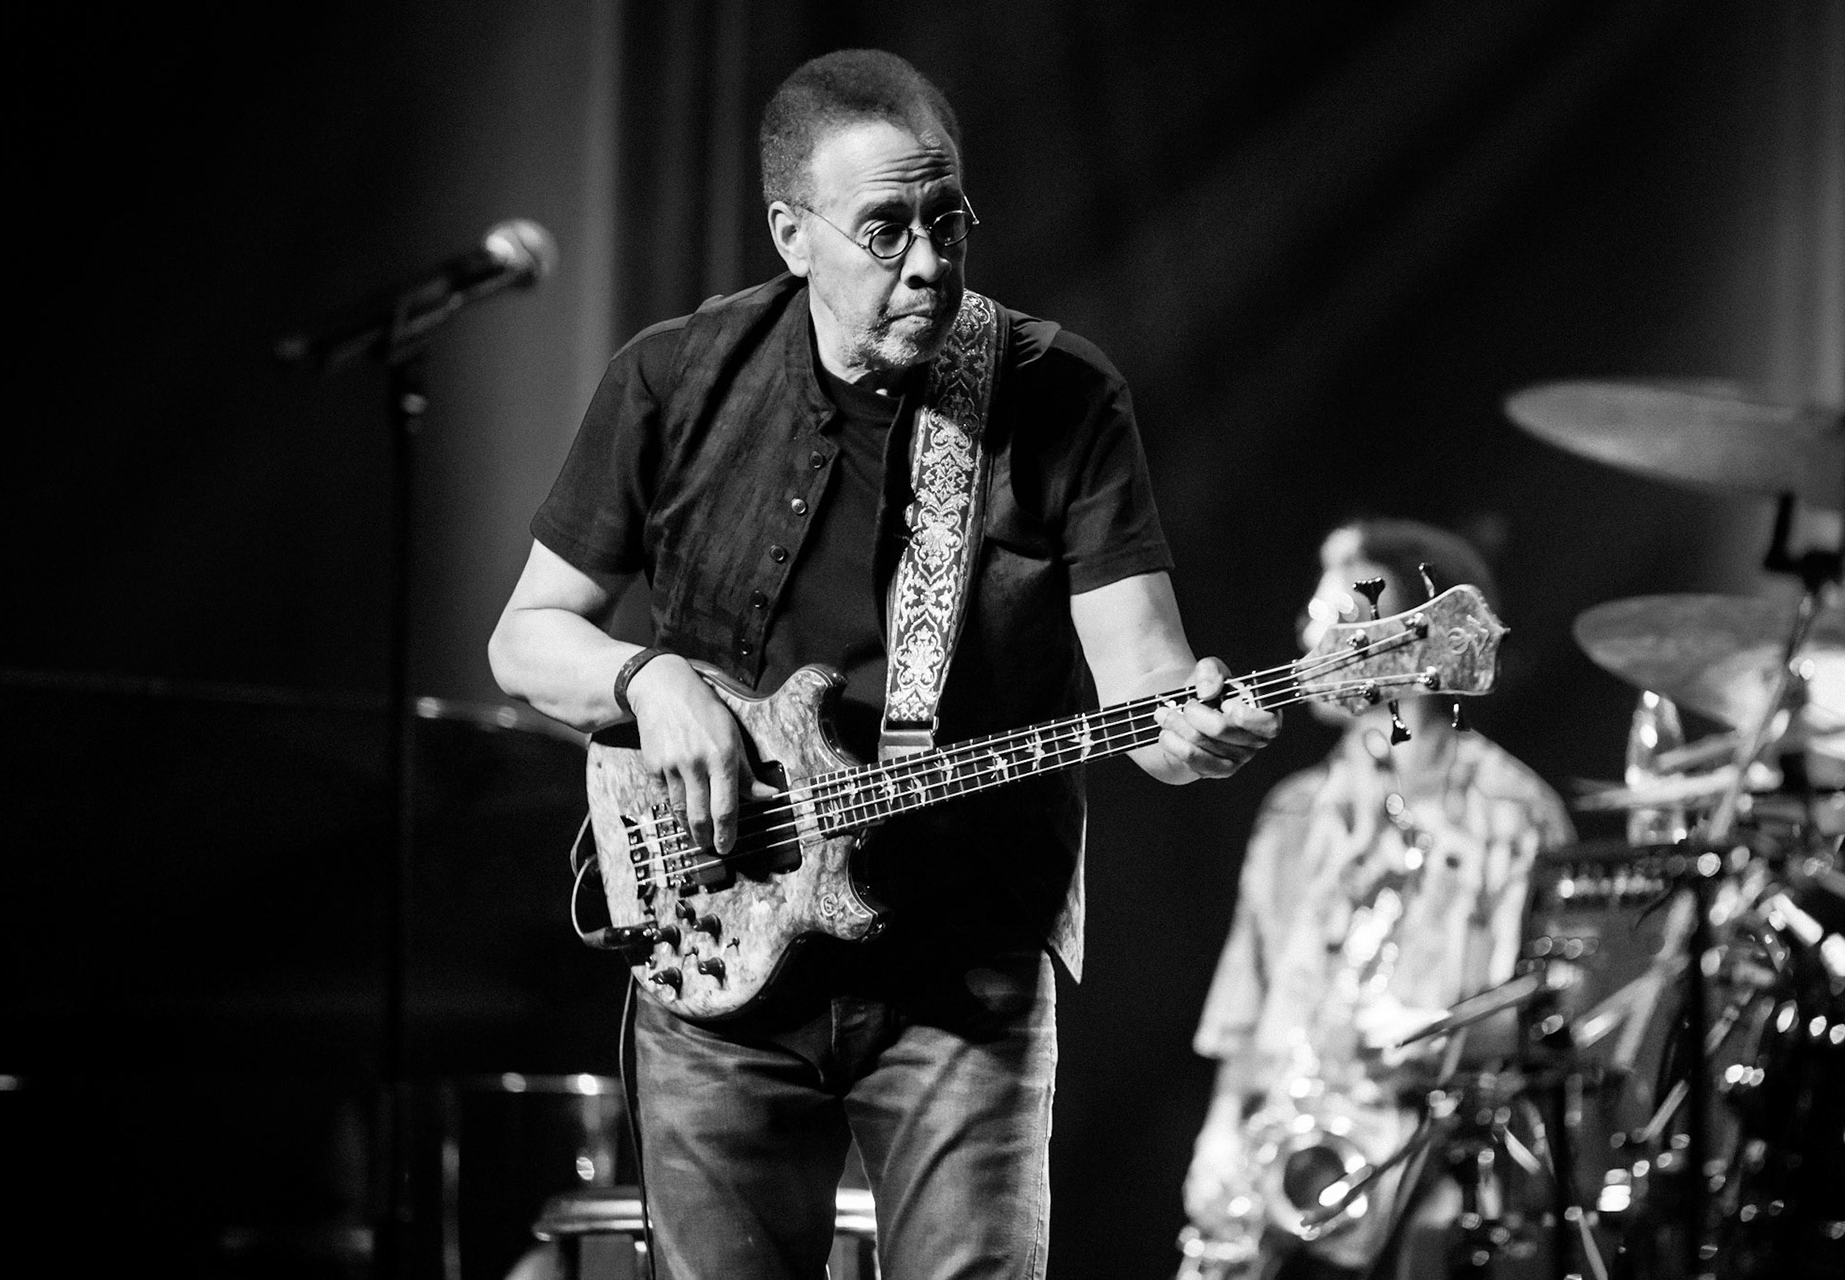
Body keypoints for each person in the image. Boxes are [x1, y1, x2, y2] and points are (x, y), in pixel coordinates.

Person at [488, 48, 1277, 1280]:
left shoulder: (1060, 395)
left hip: (961, 973)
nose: (929, 263)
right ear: (791, 233)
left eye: (948, 219)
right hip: (716, 946)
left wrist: (1193, 732)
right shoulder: (674, 375)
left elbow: (1149, 686)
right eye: (886, 228)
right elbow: (526, 636)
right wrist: (652, 679)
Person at [1181, 519, 1574, 1280]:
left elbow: (1555, 1012)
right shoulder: (1295, 810)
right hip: (1286, 1166)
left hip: (1440, 1173)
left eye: (1337, 617)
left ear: (1412, 637)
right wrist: (1220, 1130)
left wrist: (1441, 1031)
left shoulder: (1516, 811)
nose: (1307, 633)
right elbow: (1248, 997)